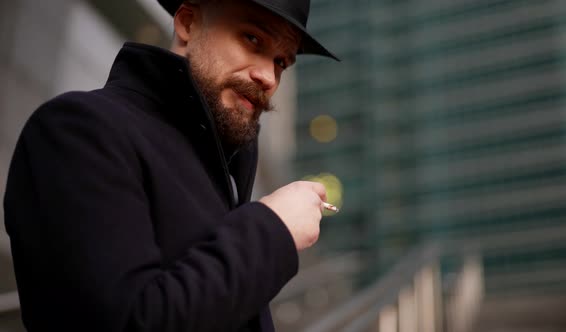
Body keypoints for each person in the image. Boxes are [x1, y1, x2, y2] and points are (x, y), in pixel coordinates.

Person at [3, 0, 339, 331]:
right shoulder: (78, 130)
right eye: (252, 39)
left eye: (281, 62)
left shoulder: (225, 175)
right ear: (188, 22)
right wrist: (273, 229)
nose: (268, 76)